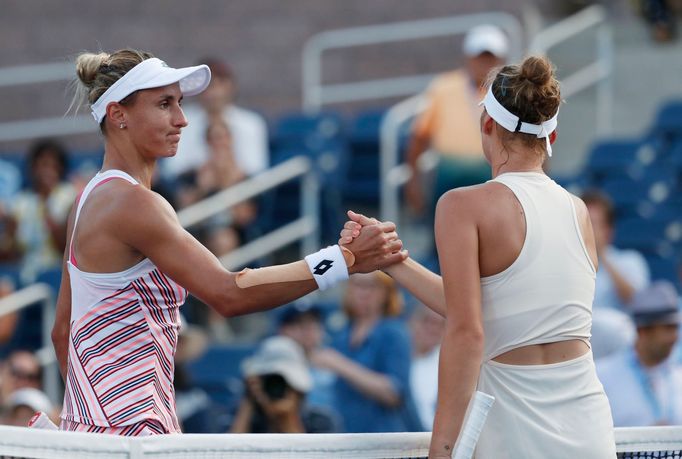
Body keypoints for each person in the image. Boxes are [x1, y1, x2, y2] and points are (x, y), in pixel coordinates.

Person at [52, 48, 407, 437]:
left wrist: (92, 416)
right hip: (132, 430)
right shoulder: (134, 202)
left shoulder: (88, 198)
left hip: (91, 426)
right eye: (164, 104)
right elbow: (229, 293)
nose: (182, 119)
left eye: (180, 103)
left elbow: (61, 333)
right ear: (118, 114)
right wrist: (344, 260)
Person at [341, 55, 616, 457]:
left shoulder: (461, 205)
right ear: (550, 138)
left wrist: (443, 449)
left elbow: (468, 331)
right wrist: (392, 260)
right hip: (589, 427)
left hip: (512, 429)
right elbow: (497, 309)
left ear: (487, 124)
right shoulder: (579, 211)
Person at [405, 25, 508, 215]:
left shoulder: (508, 91)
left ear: (500, 59)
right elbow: (419, 136)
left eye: (490, 57)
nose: (484, 63)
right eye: (480, 56)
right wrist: (413, 181)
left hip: (492, 176)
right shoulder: (443, 87)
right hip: (448, 176)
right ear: (468, 58)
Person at [310, 272, 414, 433]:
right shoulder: (342, 334)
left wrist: (339, 364)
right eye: (357, 285)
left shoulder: (394, 332)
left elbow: (393, 394)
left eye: (371, 285)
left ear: (387, 292)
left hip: (382, 439)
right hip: (344, 436)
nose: (363, 292)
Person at [161, 57, 269, 182]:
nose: (215, 92)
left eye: (221, 83)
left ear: (231, 87)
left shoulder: (252, 123)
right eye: (210, 85)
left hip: (240, 188)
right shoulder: (181, 120)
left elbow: (256, 170)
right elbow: (175, 168)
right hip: (195, 186)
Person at [597, 281, 682, 426]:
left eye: (675, 328)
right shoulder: (602, 376)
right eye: (668, 328)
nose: (674, 337)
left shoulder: (677, 376)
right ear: (643, 331)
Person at [229, 335, 339, 433]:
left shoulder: (321, 421)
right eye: (269, 379)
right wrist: (249, 400)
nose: (278, 386)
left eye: (287, 381)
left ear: (299, 389)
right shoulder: (237, 416)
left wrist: (287, 419)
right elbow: (227, 454)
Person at [8, 139, 77, 283]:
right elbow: (12, 253)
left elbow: (64, 248)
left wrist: (46, 203)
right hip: (26, 273)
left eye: (52, 165)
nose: (45, 171)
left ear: (60, 168)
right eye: (42, 164)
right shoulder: (20, 202)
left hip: (58, 273)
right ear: (33, 167)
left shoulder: (69, 196)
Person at [582, 190, 650, 312]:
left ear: (608, 231)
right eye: (581, 222)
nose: (584, 229)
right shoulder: (565, 264)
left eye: (591, 223)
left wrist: (602, 255)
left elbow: (639, 303)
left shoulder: (630, 261)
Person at [408, 302, 445, 431]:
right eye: (427, 321)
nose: (433, 329)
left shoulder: (446, 365)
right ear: (413, 321)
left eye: (441, 325)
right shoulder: (395, 359)